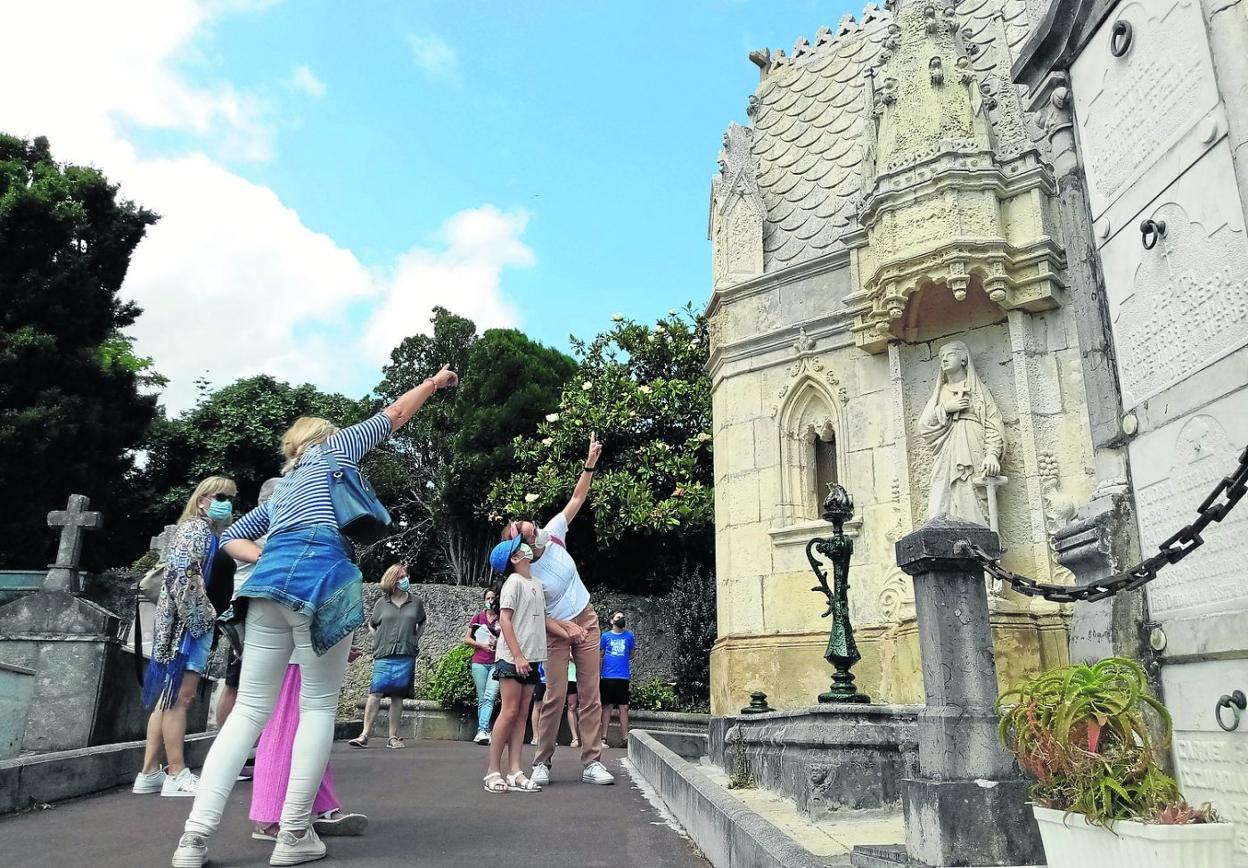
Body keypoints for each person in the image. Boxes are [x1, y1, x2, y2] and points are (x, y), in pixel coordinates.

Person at [170, 364, 458, 868]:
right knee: (318, 707)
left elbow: (230, 538)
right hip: (325, 578)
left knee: (249, 712)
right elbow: (393, 414)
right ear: (322, 437)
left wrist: (276, 557)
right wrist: (434, 384)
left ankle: (193, 840)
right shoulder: (337, 449)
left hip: (267, 587)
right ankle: (295, 833)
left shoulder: (283, 492)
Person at [502, 433, 614, 786]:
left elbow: (577, 497)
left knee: (589, 693)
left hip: (587, 616)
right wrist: (565, 629)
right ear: (521, 545)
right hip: (552, 629)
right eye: (525, 530)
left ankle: (592, 761)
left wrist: (590, 462)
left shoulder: (553, 533)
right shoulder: (526, 572)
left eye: (529, 523)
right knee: (552, 696)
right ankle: (542, 762)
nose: (532, 527)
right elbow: (536, 614)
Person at [133, 476, 238, 799]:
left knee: (169, 698)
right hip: (188, 627)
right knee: (181, 697)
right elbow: (183, 577)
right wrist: (203, 619)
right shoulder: (194, 530)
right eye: (220, 495)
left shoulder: (208, 533)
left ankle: (149, 772)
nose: (227, 501)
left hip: (189, 625)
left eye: (231, 496)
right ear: (202, 499)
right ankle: (176, 773)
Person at [250, 647, 368, 842]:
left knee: (312, 735)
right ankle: (267, 817)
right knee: (284, 729)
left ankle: (323, 805)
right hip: (291, 653)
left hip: (305, 651)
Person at [483, 536, 555, 793]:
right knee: (509, 712)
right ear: (515, 558)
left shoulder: (535, 583)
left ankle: (515, 770)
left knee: (522, 714)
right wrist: (519, 656)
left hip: (532, 657)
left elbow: (543, 620)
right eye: (521, 548)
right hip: (512, 658)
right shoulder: (513, 582)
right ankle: (493, 770)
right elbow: (505, 620)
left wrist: (569, 630)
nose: (527, 548)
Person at [216, 476, 282, 730]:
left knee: (248, 684)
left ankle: (248, 747)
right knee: (236, 683)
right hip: (247, 612)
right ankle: (225, 740)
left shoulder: (255, 528)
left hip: (259, 609)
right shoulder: (257, 529)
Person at [349, 563, 427, 749]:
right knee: (375, 692)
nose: (404, 579)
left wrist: (414, 639)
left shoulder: (416, 602)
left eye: (405, 576)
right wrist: (379, 639)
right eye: (400, 577)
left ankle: (393, 737)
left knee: (397, 696)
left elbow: (422, 622)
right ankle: (364, 734)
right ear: (392, 580)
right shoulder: (381, 603)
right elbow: (372, 624)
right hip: (384, 653)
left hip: (406, 653)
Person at [464, 585, 501, 745]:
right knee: (482, 698)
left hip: (496, 662)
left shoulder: (502, 618)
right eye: (488, 598)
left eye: (493, 598)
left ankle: (483, 730)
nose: (490, 601)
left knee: (489, 696)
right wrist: (482, 645)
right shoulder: (478, 618)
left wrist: (498, 642)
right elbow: (467, 639)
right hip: (479, 661)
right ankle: (483, 730)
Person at [599, 610, 636, 747]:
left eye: (623, 617)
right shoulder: (605, 636)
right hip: (608, 676)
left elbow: (632, 653)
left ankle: (625, 738)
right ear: (611, 621)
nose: (621, 619)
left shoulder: (629, 636)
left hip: (623, 676)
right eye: (618, 617)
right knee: (607, 706)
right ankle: (603, 737)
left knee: (624, 707)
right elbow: (600, 654)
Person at [566, 659, 581, 748]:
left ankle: (587, 738)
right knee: (571, 706)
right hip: (569, 677)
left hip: (582, 678)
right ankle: (575, 738)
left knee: (584, 706)